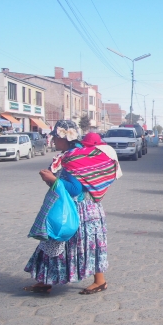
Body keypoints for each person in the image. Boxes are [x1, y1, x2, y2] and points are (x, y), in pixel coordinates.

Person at [24, 123, 122, 294]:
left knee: (56, 239)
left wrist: (53, 180)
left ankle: (95, 281)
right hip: (90, 209)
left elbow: (75, 189)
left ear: (64, 138)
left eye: (55, 137)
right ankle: (47, 280)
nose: (53, 140)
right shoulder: (79, 153)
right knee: (89, 245)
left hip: (77, 210)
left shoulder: (72, 157)